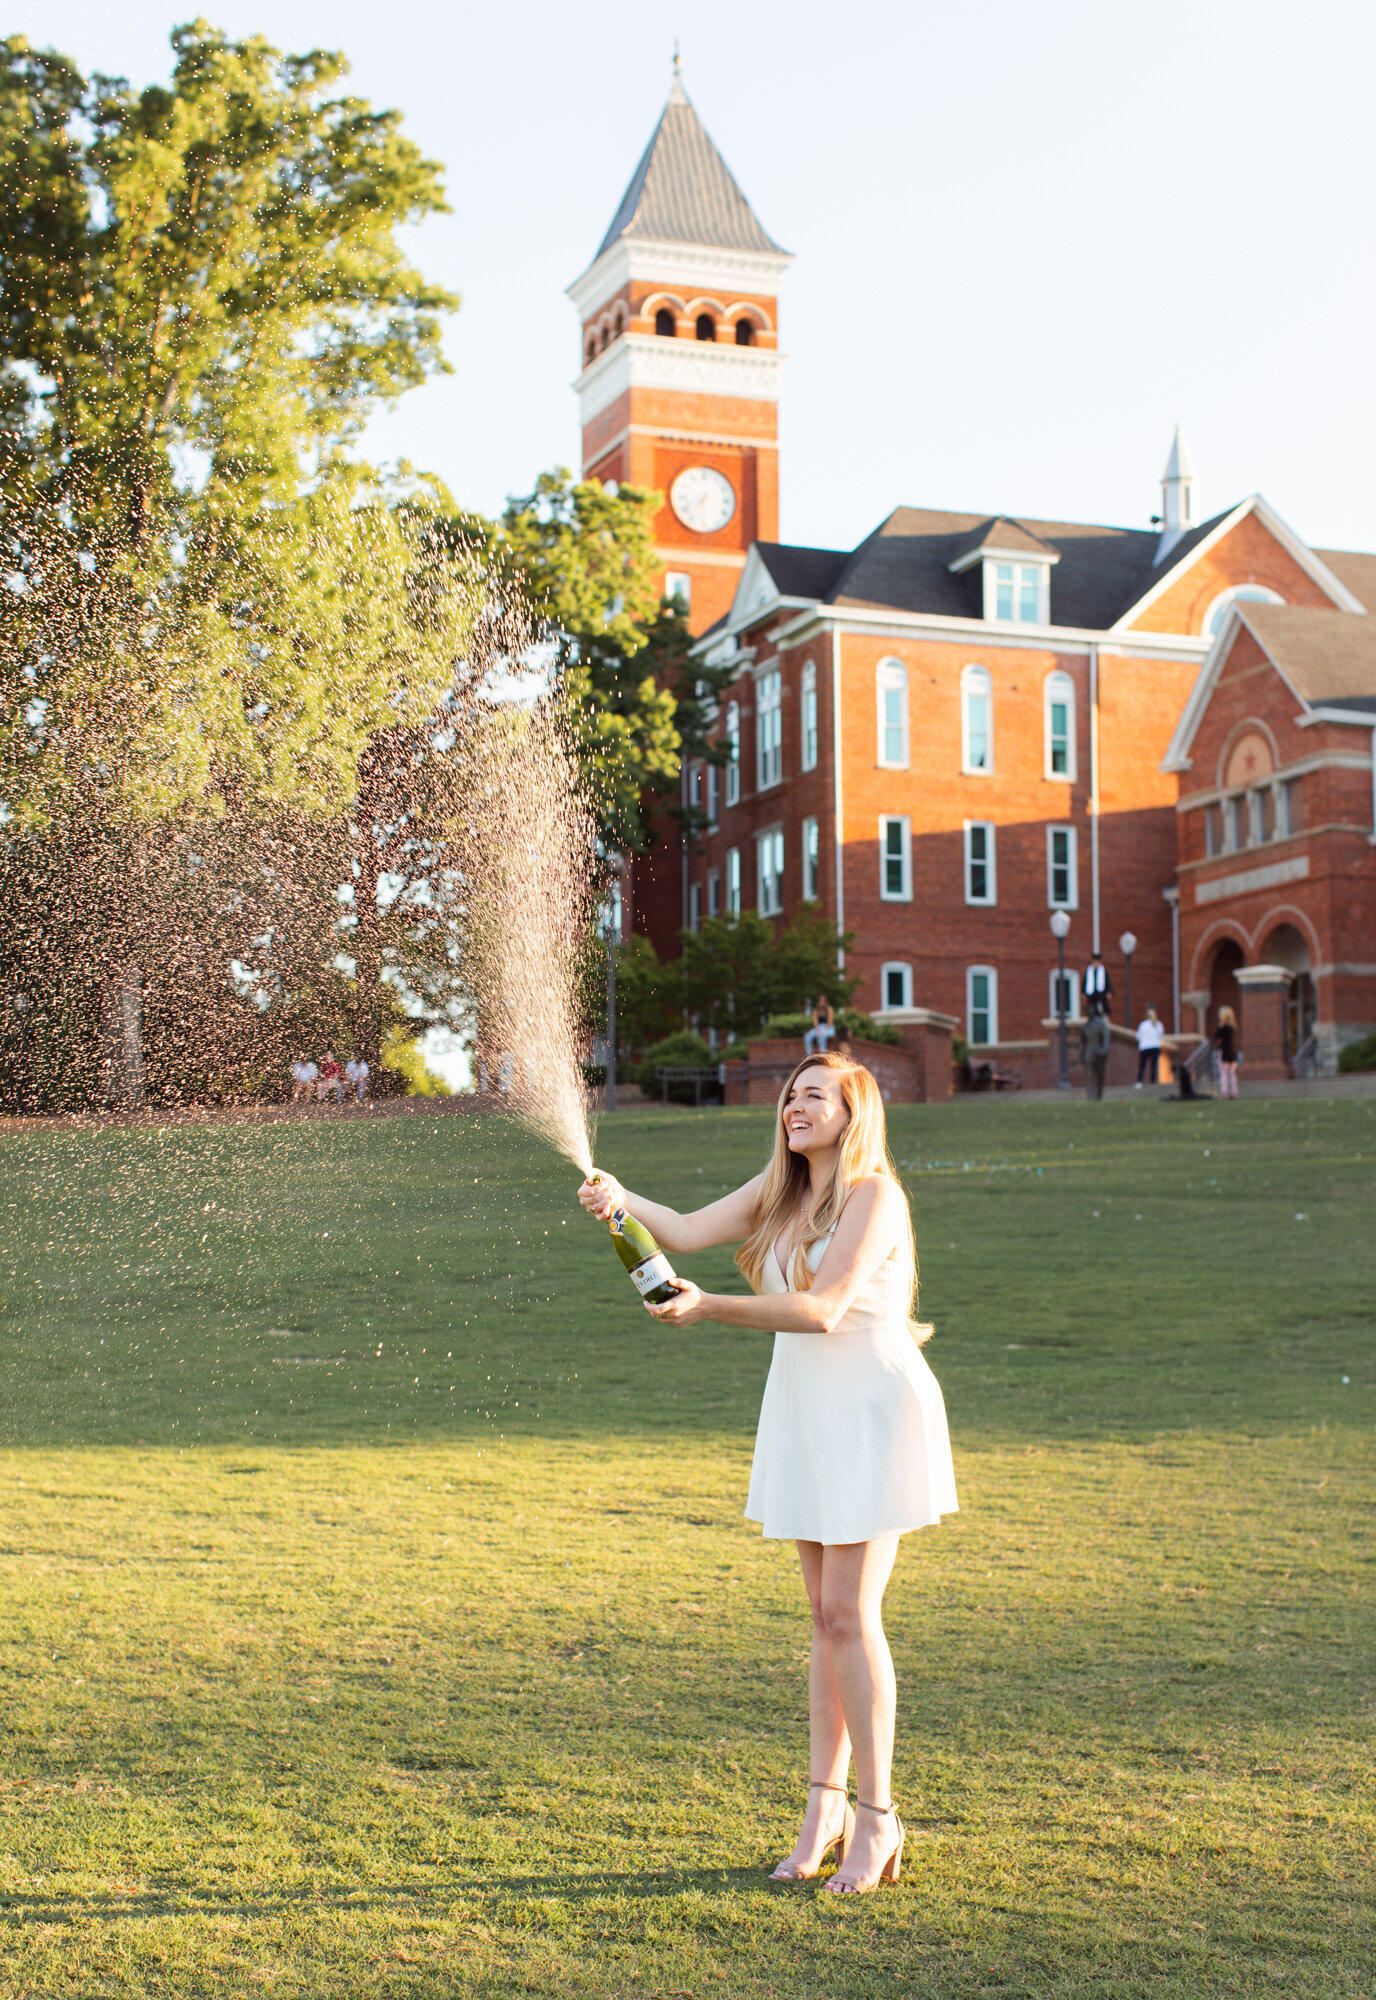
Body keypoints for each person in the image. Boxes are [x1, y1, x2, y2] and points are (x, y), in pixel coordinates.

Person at [579, 1053, 957, 1895]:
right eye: (791, 1093)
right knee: (824, 1619)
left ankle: (879, 1818)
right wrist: (617, 1196)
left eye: (815, 1094)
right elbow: (676, 1227)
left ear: (853, 1111)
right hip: (805, 1409)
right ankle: (823, 1808)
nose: (795, 1104)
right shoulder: (779, 1192)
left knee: (853, 1616)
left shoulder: (875, 1197)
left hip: (868, 1406)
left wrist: (707, 1305)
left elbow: (823, 1312)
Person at [1080, 1011, 1111, 1099]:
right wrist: (1081, 1056)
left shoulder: (1101, 1025)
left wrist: (1103, 1051)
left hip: (1099, 1055)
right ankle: (1090, 1096)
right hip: (1088, 1055)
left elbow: (1106, 1039)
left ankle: (1099, 1095)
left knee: (1100, 1076)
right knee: (1089, 1077)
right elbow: (1082, 1043)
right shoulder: (1084, 1026)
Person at [1135, 1006, 1165, 1088]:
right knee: (1153, 1065)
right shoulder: (1159, 1025)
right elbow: (1161, 1036)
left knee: (1142, 1065)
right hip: (1155, 1046)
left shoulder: (1143, 1025)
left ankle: (1139, 1081)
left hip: (1144, 1047)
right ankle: (1153, 1081)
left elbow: (1138, 1036)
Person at [1214, 1005, 1240, 1097]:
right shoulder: (1232, 1027)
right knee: (1232, 1074)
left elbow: (1217, 1037)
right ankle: (1234, 1092)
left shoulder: (1222, 1027)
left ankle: (1224, 1092)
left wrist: (1220, 1027)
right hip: (1232, 1052)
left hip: (1224, 1052)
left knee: (1224, 1073)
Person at [1083, 953, 1113, 1019]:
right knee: (1091, 1005)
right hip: (1091, 992)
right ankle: (1092, 1015)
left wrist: (1109, 991)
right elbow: (1085, 981)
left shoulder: (1102, 970)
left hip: (1100, 991)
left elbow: (1107, 981)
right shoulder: (1089, 970)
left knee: (1102, 1004)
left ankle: (1103, 1014)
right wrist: (1083, 992)